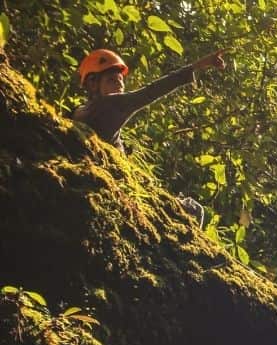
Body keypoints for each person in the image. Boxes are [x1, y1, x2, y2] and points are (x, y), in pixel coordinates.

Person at [72, 48, 226, 225]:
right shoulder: (109, 105)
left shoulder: (80, 112)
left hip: (118, 184)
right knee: (194, 210)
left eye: (121, 80)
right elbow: (151, 91)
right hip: (122, 191)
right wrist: (198, 65)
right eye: (112, 80)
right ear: (93, 84)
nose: (120, 85)